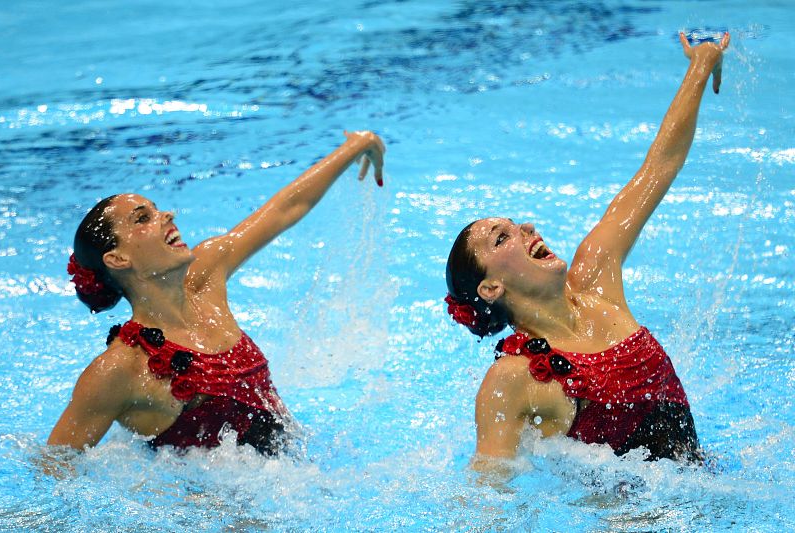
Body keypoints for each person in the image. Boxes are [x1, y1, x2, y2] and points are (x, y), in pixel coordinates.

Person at [444, 33, 730, 464]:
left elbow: (658, 167)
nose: (525, 230)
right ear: (490, 288)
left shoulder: (597, 277)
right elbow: (488, 488)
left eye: (516, 225)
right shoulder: (512, 380)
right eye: (502, 238)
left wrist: (701, 62)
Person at [47, 131, 385, 454]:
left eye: (157, 208)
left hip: (301, 474)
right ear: (118, 259)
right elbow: (55, 462)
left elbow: (283, 210)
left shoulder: (205, 279)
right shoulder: (121, 368)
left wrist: (355, 146)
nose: (166, 215)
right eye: (142, 218)